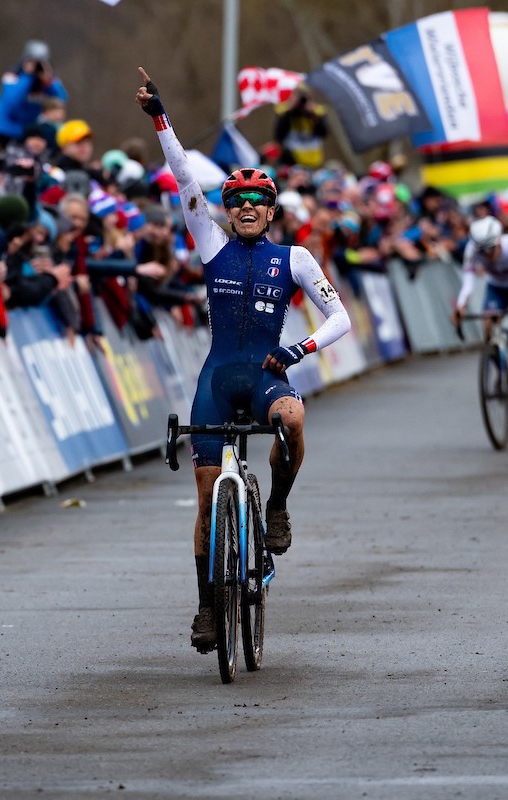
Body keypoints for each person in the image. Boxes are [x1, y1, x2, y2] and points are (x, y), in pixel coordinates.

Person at [135, 67, 351, 653]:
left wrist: (297, 349)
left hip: (266, 375)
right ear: (226, 210)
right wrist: (161, 117)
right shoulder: (211, 244)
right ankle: (208, 607)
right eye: (239, 201)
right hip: (217, 379)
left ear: (272, 210)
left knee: (296, 421)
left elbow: (340, 319)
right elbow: (183, 176)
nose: (248, 208)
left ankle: (277, 506)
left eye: (259, 201)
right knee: (207, 500)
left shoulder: (296, 257)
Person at [450, 215, 508, 408]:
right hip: (496, 289)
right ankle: (503, 372)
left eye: (491, 248)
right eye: (483, 251)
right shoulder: (472, 249)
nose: (488, 254)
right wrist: (461, 305)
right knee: (488, 329)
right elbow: (468, 281)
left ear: (500, 240)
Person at [0, 39, 69, 149]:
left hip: (30, 129)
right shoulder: (13, 76)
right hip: (7, 128)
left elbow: (62, 98)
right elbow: (12, 100)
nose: (37, 67)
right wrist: (28, 76)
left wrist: (47, 82)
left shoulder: (47, 79)